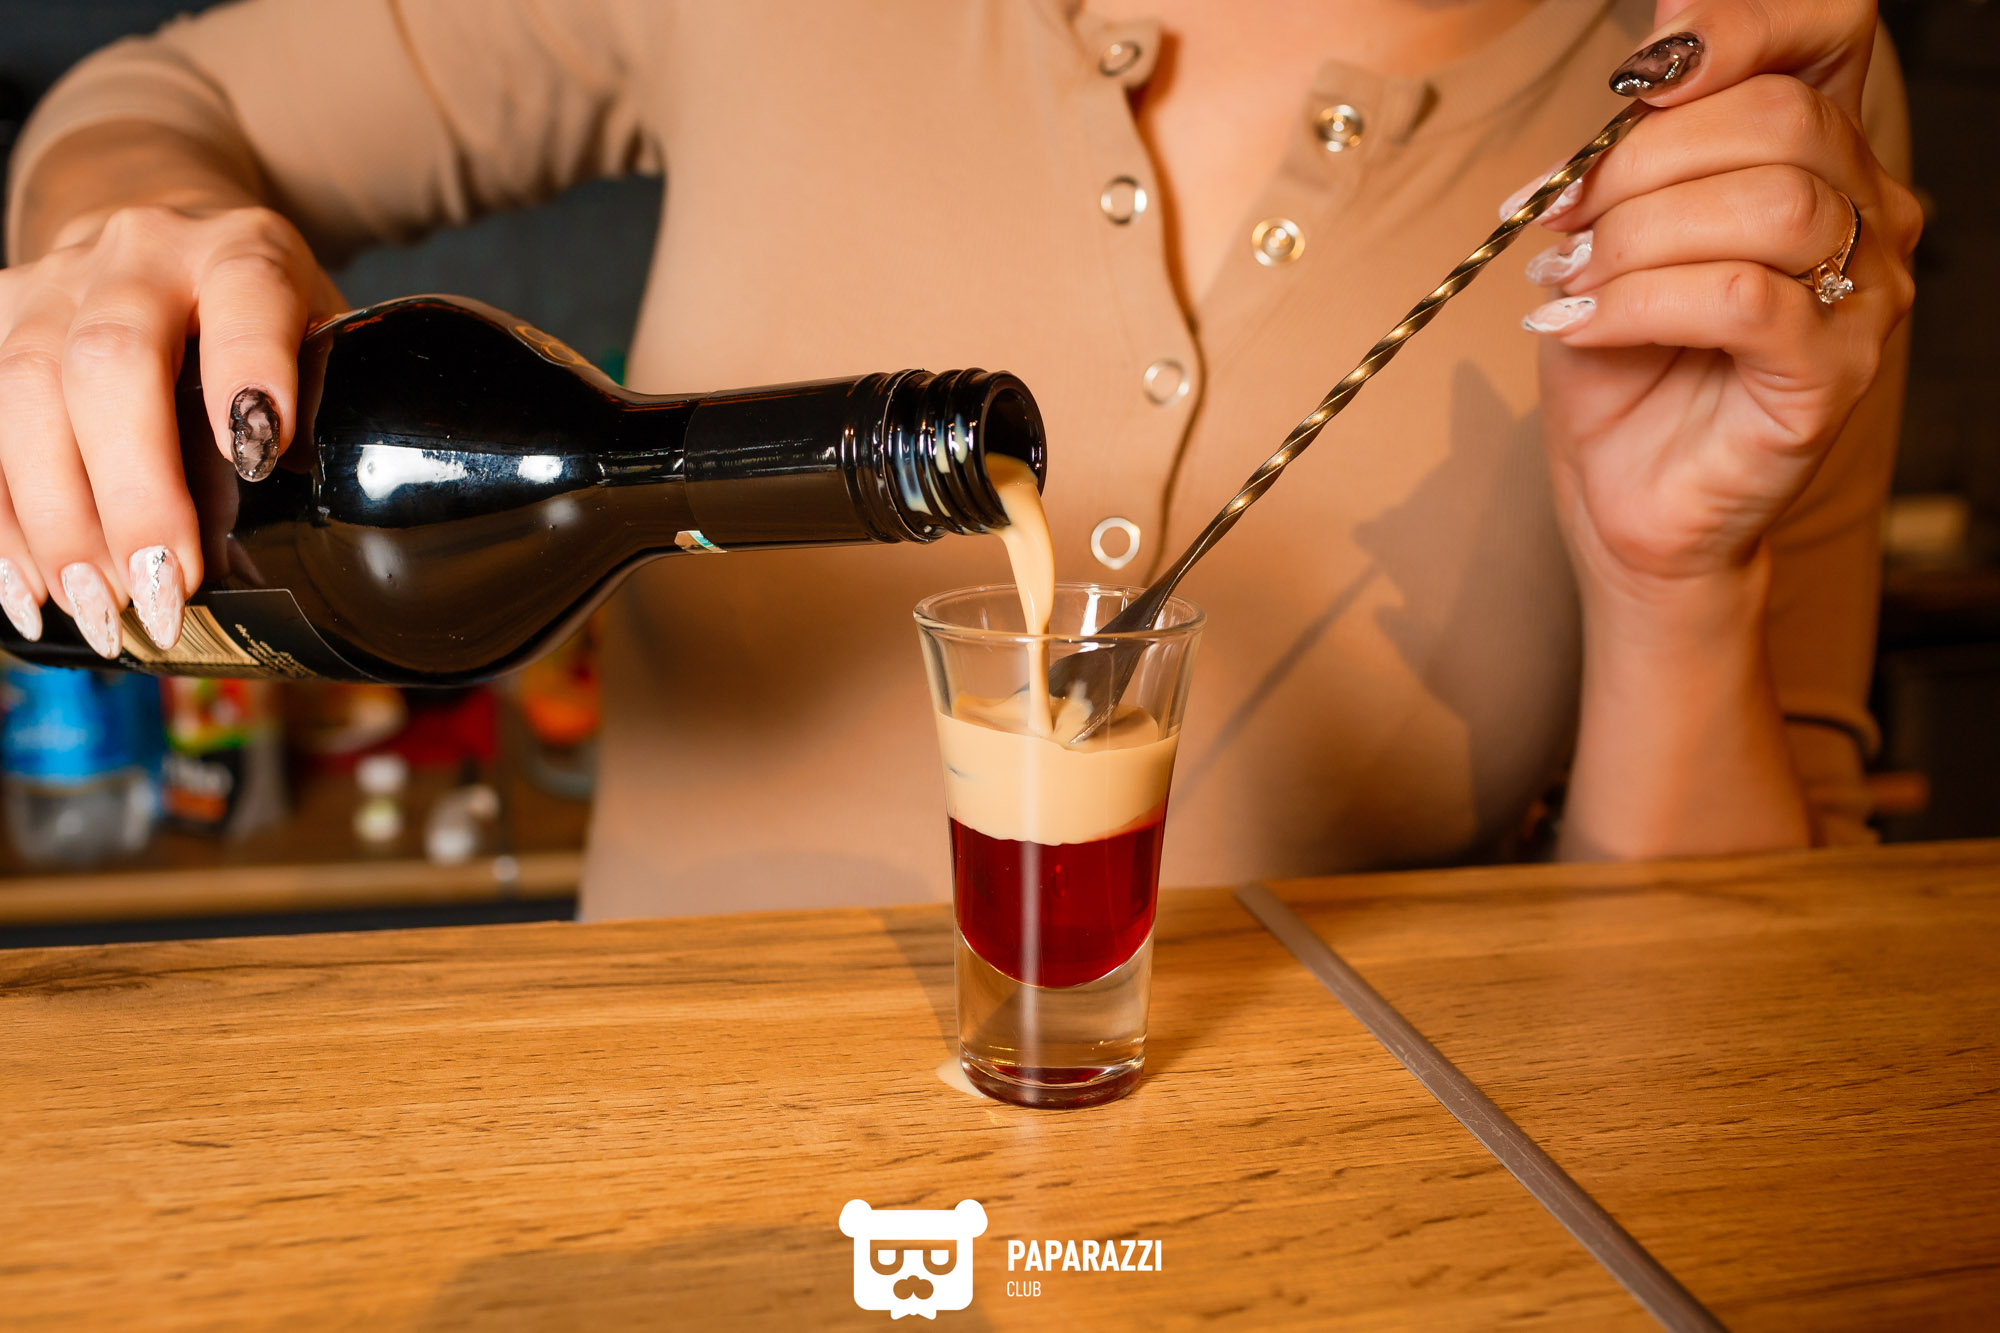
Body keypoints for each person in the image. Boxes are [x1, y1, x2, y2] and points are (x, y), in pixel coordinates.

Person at [0, 0, 1919, 917]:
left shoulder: (1727, 95)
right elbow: (151, 98)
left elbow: (1725, 1057)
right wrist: (128, 251)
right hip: (683, 1231)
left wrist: (1679, 589)